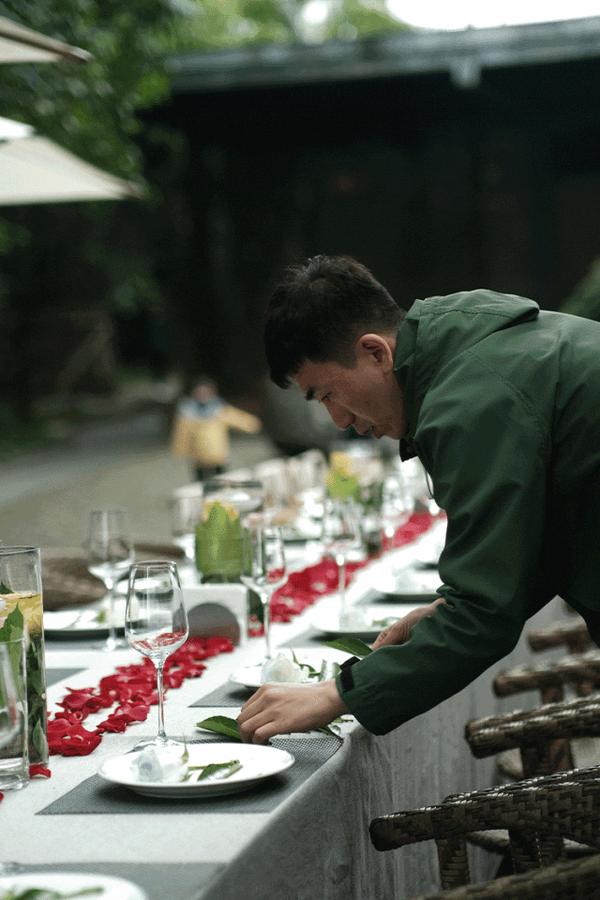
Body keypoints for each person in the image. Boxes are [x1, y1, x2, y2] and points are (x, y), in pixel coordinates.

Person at [237, 254, 600, 743]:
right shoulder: (474, 345)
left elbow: (482, 617)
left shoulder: (470, 400)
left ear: (375, 353)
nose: (339, 422)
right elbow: (547, 524)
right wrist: (445, 609)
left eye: (326, 395)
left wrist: (336, 695)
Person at [170, 376, 261, 481]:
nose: (202, 395)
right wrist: (180, 450)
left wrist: (252, 424)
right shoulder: (188, 413)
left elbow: (237, 419)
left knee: (221, 480)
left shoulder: (219, 409)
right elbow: (182, 434)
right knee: (202, 483)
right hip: (199, 457)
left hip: (218, 455)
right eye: (199, 392)